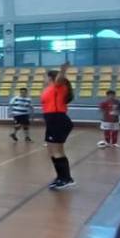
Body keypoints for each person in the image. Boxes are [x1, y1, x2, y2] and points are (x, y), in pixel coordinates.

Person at [42, 61, 75, 190]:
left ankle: (66, 178)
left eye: (45, 76)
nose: (43, 79)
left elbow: (60, 79)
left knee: (57, 151)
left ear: (51, 78)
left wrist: (62, 70)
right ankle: (60, 177)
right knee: (51, 151)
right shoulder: (48, 89)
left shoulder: (58, 86)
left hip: (58, 119)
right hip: (51, 120)